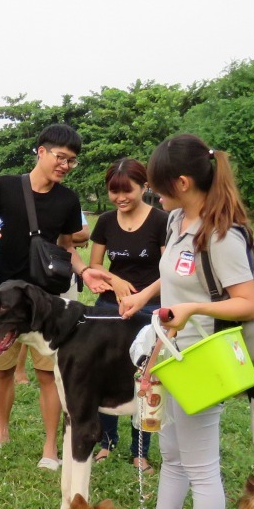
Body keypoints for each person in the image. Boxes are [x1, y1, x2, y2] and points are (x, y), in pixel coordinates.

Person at [123, 134, 254, 509]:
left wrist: (195, 310)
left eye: (160, 188)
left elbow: (248, 304)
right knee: (173, 455)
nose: (154, 196)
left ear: (183, 181)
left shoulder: (220, 236)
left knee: (202, 467)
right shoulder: (176, 221)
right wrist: (140, 296)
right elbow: (171, 279)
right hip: (171, 354)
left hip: (204, 361)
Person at [0, 124, 111, 469]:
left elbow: (67, 247)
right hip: (3, 300)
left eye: (72, 161)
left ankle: (50, 448)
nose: (65, 165)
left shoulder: (67, 199)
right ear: (41, 151)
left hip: (45, 303)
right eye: (61, 157)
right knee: (2, 368)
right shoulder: (3, 186)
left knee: (48, 375)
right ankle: (2, 432)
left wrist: (84, 271)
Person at [89, 158, 168, 468]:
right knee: (103, 372)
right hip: (110, 306)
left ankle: (140, 450)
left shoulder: (161, 221)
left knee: (144, 376)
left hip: (149, 307)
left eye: (127, 191)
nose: (120, 198)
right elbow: (95, 265)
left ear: (144, 187)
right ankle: (106, 441)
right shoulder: (107, 221)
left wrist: (144, 295)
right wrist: (114, 279)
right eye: (113, 191)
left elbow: (170, 272)